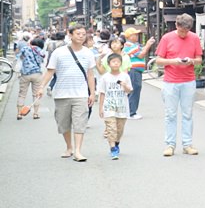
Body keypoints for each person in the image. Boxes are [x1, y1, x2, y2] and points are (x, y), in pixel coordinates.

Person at [35, 24, 96, 162]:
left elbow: (90, 74)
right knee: (64, 123)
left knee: (80, 123)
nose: (81, 36)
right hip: (62, 93)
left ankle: (78, 151)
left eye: (83, 34)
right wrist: (41, 87)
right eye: (78, 33)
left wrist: (92, 93)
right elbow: (50, 71)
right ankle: (69, 146)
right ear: (70, 34)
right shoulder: (59, 52)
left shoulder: (88, 53)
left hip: (81, 94)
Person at [154, 13, 203, 157]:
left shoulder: (194, 38)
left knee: (188, 114)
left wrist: (191, 61)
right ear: (176, 25)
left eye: (186, 31)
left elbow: (199, 59)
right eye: (182, 31)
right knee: (170, 114)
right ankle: (170, 145)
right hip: (171, 81)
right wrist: (173, 61)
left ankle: (187, 144)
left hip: (188, 80)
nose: (184, 34)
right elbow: (158, 60)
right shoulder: (167, 38)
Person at [96, 52, 133, 160]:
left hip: (122, 107)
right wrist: (101, 107)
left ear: (121, 64)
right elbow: (102, 92)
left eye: (118, 62)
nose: (116, 64)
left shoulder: (125, 76)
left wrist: (125, 86)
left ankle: (116, 143)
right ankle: (113, 148)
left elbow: (129, 90)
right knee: (111, 128)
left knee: (119, 129)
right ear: (109, 64)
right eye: (113, 62)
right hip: (109, 106)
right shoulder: (105, 78)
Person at [122, 27, 156, 119]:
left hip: (135, 70)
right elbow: (141, 54)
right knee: (134, 90)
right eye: (135, 34)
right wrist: (148, 44)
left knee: (134, 89)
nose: (137, 36)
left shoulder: (133, 45)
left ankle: (131, 111)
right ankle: (132, 112)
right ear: (130, 36)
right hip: (133, 70)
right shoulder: (130, 46)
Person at [15, 37, 46, 120]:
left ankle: (19, 114)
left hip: (25, 74)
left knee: (22, 94)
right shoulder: (40, 50)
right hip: (37, 74)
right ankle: (35, 114)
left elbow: (18, 57)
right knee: (36, 94)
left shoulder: (25, 48)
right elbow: (42, 60)